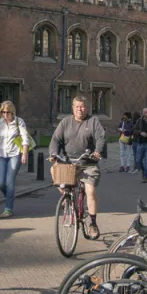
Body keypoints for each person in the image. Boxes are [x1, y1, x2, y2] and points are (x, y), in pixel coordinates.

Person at [48, 96, 105, 237]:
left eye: (82, 106)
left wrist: (97, 151)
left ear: (87, 108)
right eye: (77, 106)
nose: (80, 109)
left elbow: (100, 137)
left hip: (87, 163)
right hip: (69, 162)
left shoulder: (93, 122)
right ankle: (66, 197)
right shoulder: (66, 122)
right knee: (53, 170)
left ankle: (92, 223)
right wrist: (54, 154)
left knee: (90, 191)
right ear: (73, 108)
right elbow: (56, 139)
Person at [0, 101, 30, 218]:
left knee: (9, 181)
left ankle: (8, 208)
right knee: (1, 183)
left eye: (7, 112)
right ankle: (10, 197)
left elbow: (25, 139)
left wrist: (24, 154)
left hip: (15, 154)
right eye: (3, 112)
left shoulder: (19, 122)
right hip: (2, 155)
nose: (5, 114)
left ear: (12, 112)